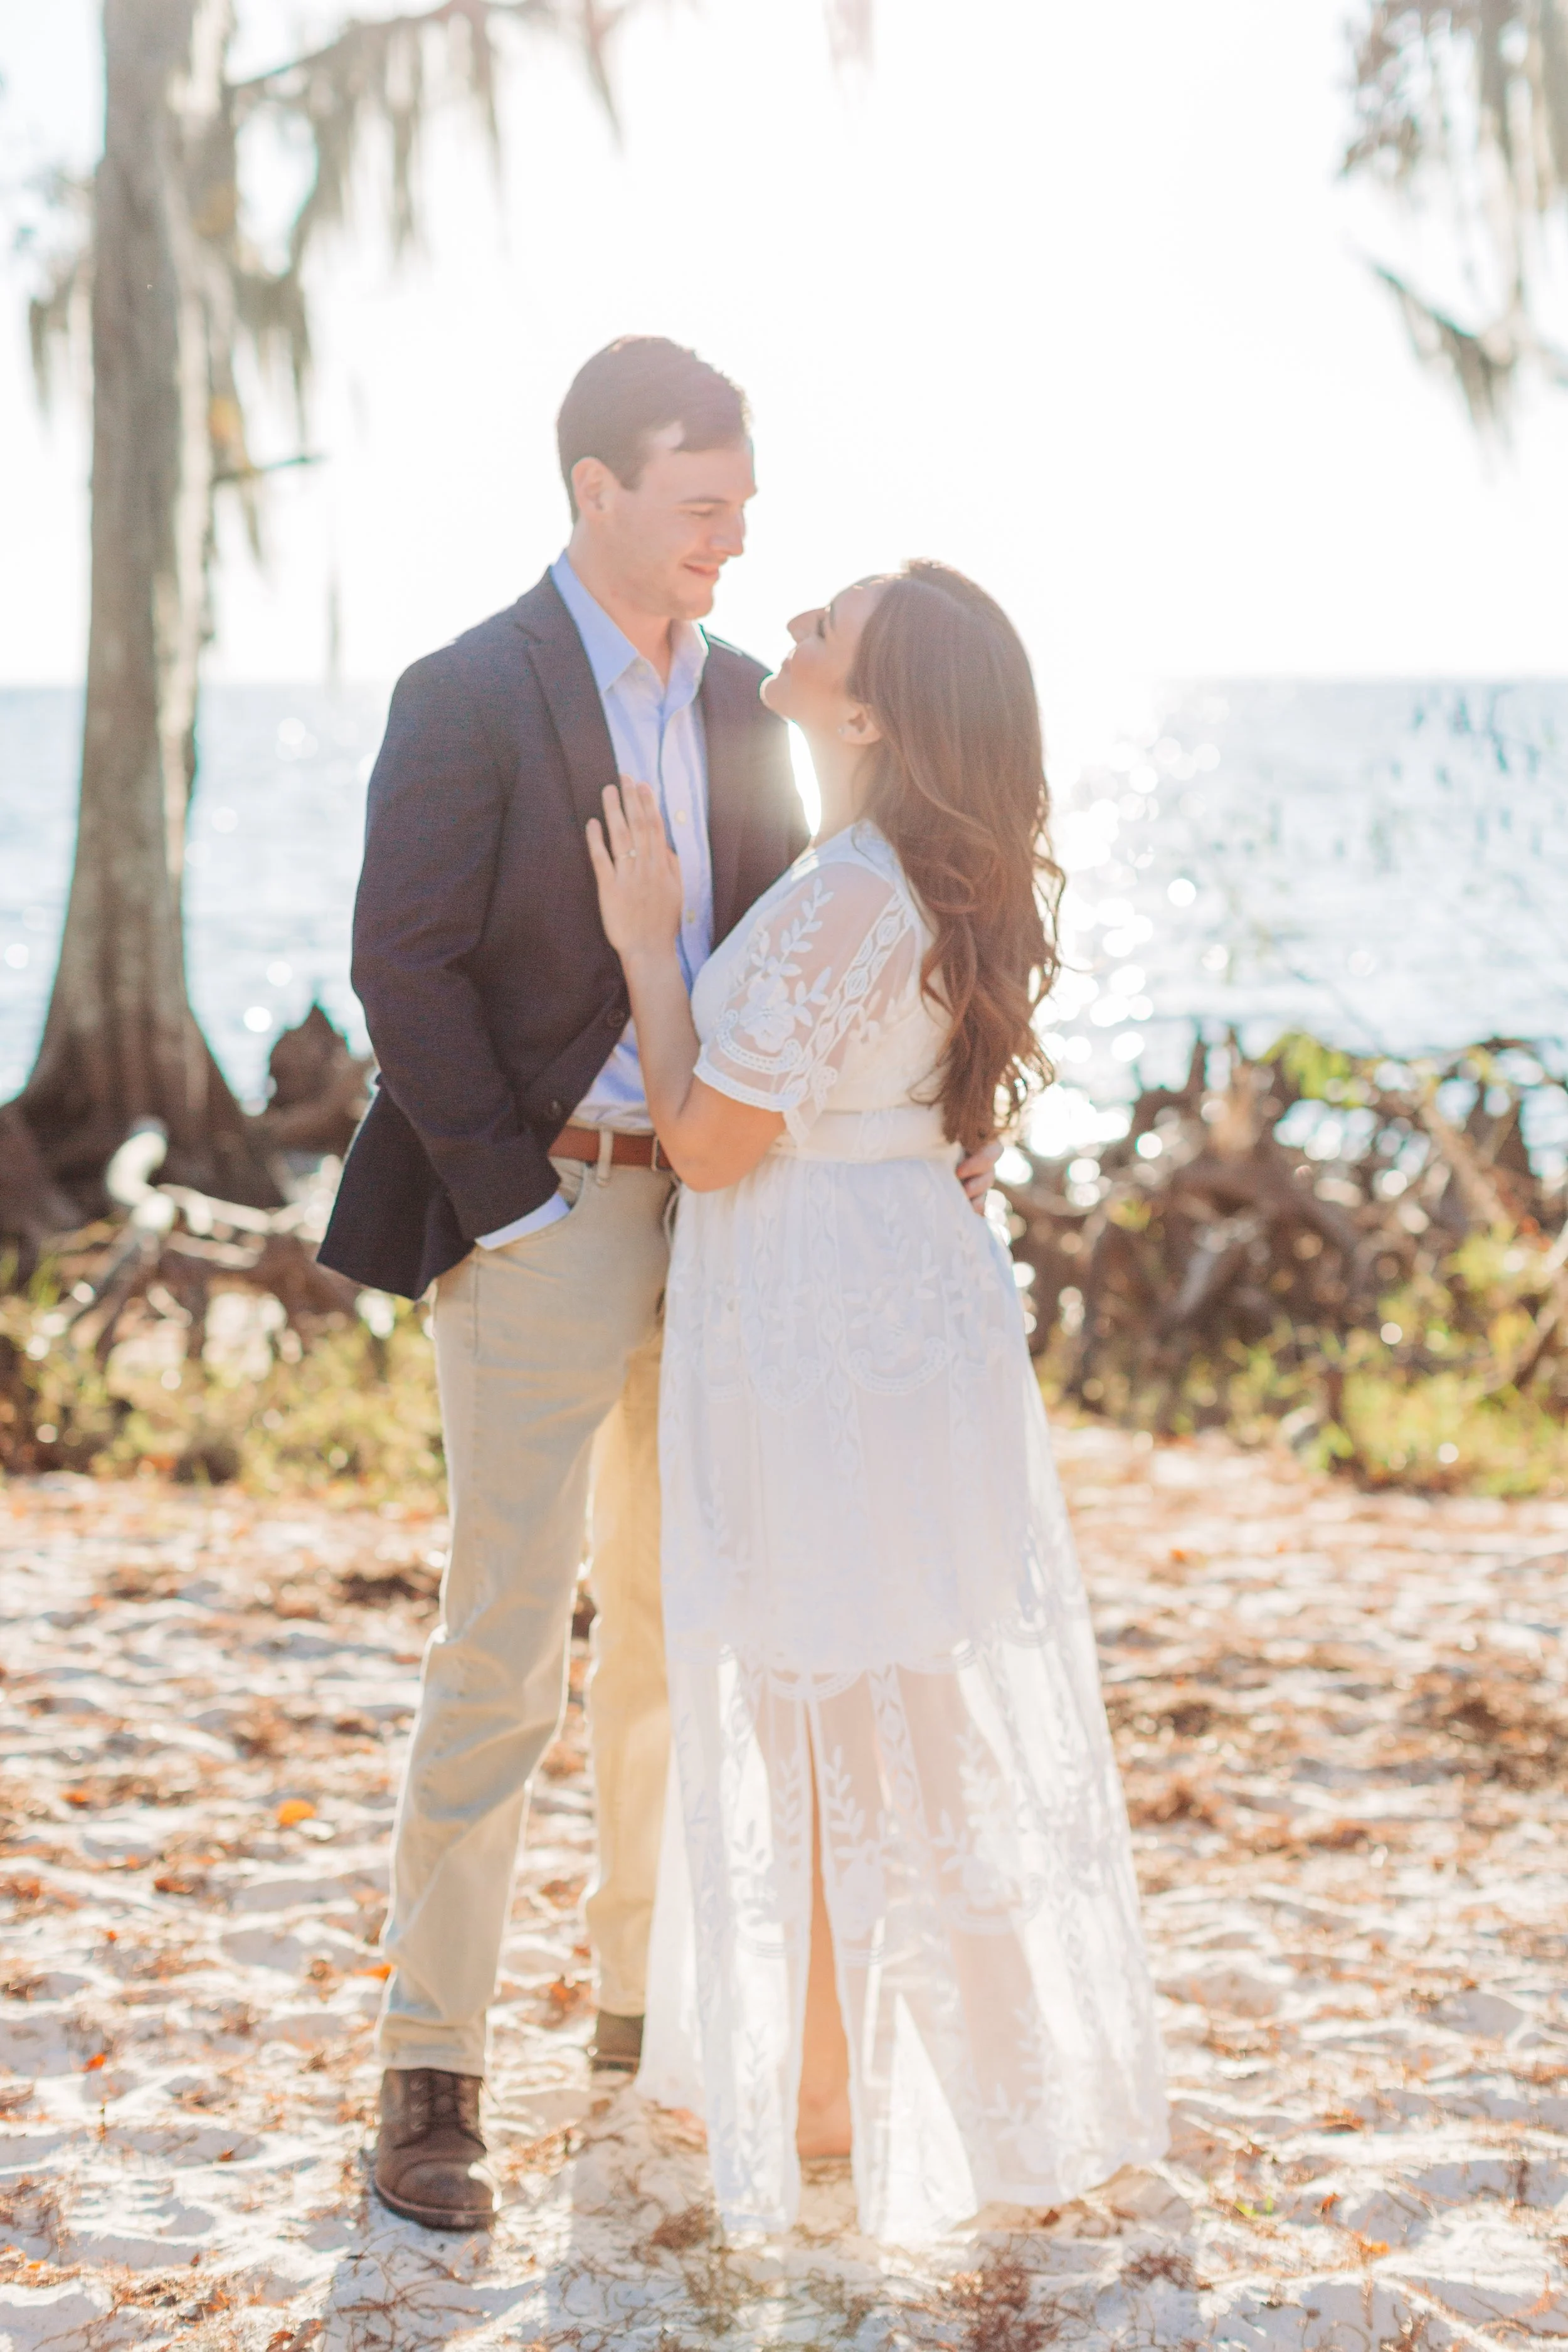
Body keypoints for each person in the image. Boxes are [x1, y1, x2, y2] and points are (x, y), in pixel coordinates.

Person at [316, 344, 1000, 2230]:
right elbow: (404, 965)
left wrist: (933, 1117)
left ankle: (634, 2031)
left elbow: (810, 947)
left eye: (743, 507)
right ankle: (430, 2075)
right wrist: (514, 1208)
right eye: (702, 505)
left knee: (678, 1640)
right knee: (504, 1644)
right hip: (541, 1222)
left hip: (729, 1232)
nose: (732, 538)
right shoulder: (464, 691)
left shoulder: (740, 709)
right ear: (593, 488)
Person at [586, 562, 1169, 2241]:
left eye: (828, 620)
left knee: (829, 1697)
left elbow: (707, 1139)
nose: (796, 620)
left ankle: (843, 2087)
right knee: (887, 1696)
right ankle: (894, 2077)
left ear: (870, 704)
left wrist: (646, 942)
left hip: (826, 1312)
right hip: (887, 1285)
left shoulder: (855, 889)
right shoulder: (911, 877)